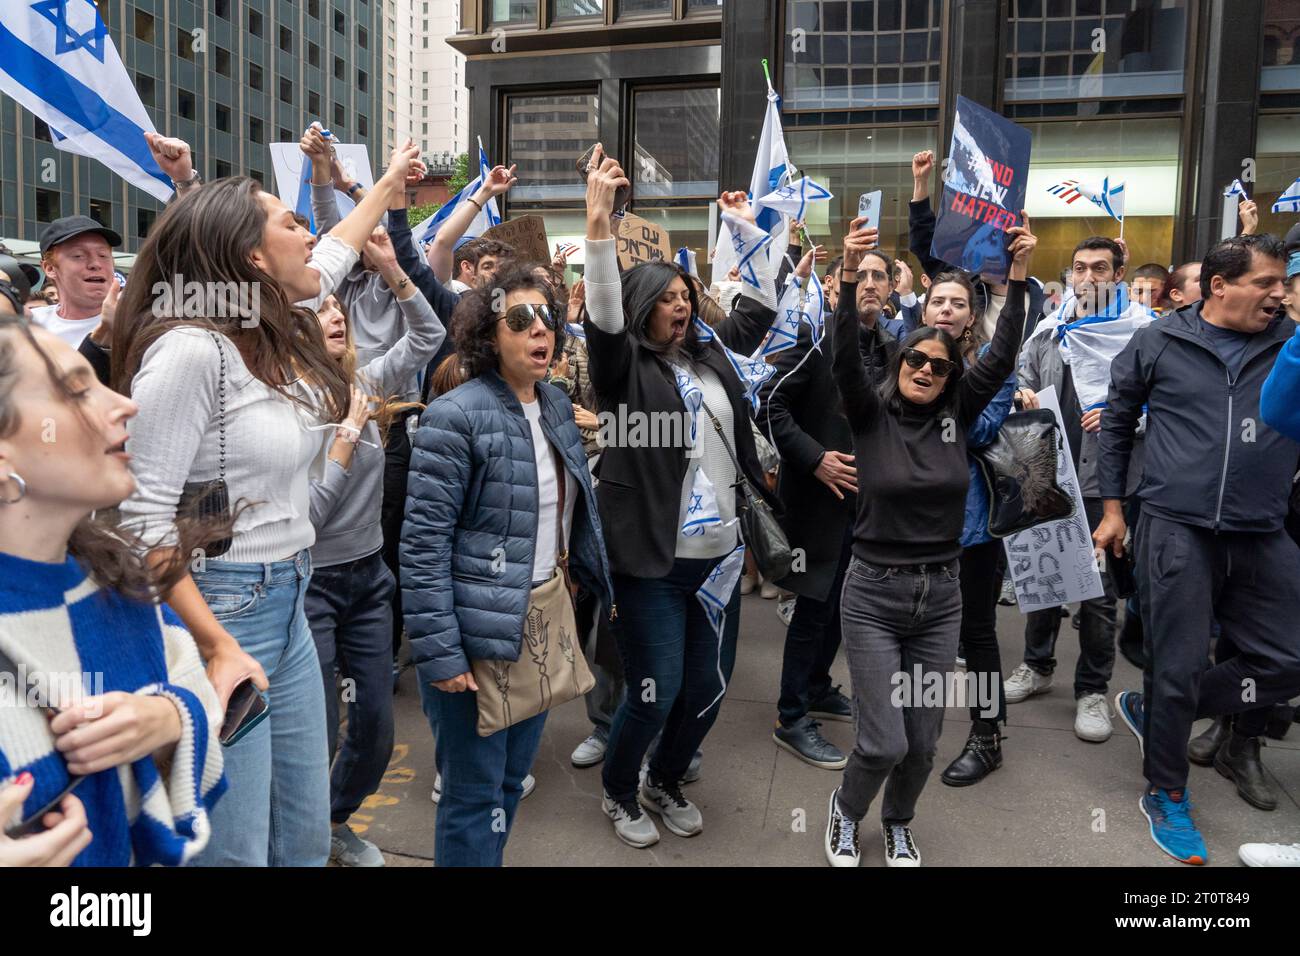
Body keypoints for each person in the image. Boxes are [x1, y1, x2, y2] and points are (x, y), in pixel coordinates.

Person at [112, 141, 423, 867]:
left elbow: (342, 248)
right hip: (223, 608)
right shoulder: (192, 352)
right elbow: (141, 520)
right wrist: (216, 645)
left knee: (305, 836)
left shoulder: (268, 327)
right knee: (238, 850)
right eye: (291, 222)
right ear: (251, 257)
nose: (310, 232)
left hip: (290, 595)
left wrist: (382, 185)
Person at [822, 212, 1035, 867]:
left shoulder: (958, 414)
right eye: (913, 357)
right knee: (882, 741)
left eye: (937, 364)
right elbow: (843, 358)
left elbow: (999, 356)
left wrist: (1018, 277)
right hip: (873, 597)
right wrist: (853, 272)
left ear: (949, 377)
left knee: (922, 742)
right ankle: (845, 812)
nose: (923, 367)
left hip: (940, 599)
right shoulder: (869, 415)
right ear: (900, 361)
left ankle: (898, 821)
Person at [581, 148, 781, 850]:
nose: (681, 306)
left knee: (708, 689)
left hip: (720, 562)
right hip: (656, 566)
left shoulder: (711, 359)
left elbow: (758, 311)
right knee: (655, 689)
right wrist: (599, 221)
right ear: (642, 308)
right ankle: (618, 787)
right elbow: (601, 315)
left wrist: (751, 232)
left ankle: (665, 780)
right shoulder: (623, 370)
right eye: (666, 298)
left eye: (685, 297)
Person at [1097, 233, 1300, 866]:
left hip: (1264, 530)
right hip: (1174, 527)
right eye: (1265, 282)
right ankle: (1166, 791)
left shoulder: (1291, 344)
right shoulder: (1158, 340)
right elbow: (1117, 423)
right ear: (1218, 286)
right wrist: (1111, 510)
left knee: (1288, 660)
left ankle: (1162, 708)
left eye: (1282, 282)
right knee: (1178, 662)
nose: (1278, 293)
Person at [401, 266, 613, 867]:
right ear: (488, 335)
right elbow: (422, 546)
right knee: (471, 793)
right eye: (520, 319)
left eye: (547, 317)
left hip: (539, 618)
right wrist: (441, 653)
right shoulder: (455, 415)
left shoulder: (554, 403)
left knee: (511, 780)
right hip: (474, 637)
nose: (539, 329)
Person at [0, 316, 225, 865]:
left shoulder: (116, 580)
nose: (126, 404)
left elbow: (198, 702)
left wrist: (169, 721)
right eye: (77, 389)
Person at [306, 229, 446, 867]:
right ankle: (299, 837)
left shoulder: (367, 376)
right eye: (319, 310)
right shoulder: (281, 399)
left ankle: (333, 822)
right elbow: (307, 516)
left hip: (368, 581)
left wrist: (392, 269)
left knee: (376, 730)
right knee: (310, 729)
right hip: (307, 584)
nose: (335, 316)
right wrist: (346, 437)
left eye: (337, 307)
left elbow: (428, 337)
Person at [1003, 237, 1150, 743]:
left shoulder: (1144, 332)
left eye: (1101, 269)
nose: (1088, 278)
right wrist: (1020, 390)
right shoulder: (1051, 327)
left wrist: (1129, 416)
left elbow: (1168, 401)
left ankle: (1091, 689)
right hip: (1047, 475)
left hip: (1104, 487)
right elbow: (1021, 372)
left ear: (1119, 273)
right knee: (1045, 577)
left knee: (1098, 593)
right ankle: (1037, 667)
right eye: (1080, 269)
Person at [759, 247, 889, 771]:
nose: (873, 283)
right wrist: (815, 459)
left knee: (840, 605)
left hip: (868, 508)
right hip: (819, 501)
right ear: (838, 286)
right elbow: (768, 401)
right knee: (812, 610)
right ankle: (790, 717)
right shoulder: (814, 340)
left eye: (882, 276)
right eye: (863, 275)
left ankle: (814, 687)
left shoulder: (892, 348)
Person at [29, 215, 121, 348]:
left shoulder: (139, 326)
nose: (95, 264)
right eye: (78, 256)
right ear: (49, 268)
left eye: (103, 255)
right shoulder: (29, 326)